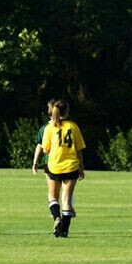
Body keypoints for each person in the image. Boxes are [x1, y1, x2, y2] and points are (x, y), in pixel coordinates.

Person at [39, 98, 86, 237]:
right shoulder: (73, 127)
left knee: (53, 197)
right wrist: (81, 168)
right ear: (67, 111)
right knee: (66, 200)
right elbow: (79, 150)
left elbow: (45, 150)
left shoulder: (49, 128)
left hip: (54, 166)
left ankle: (56, 218)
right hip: (71, 167)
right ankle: (64, 231)